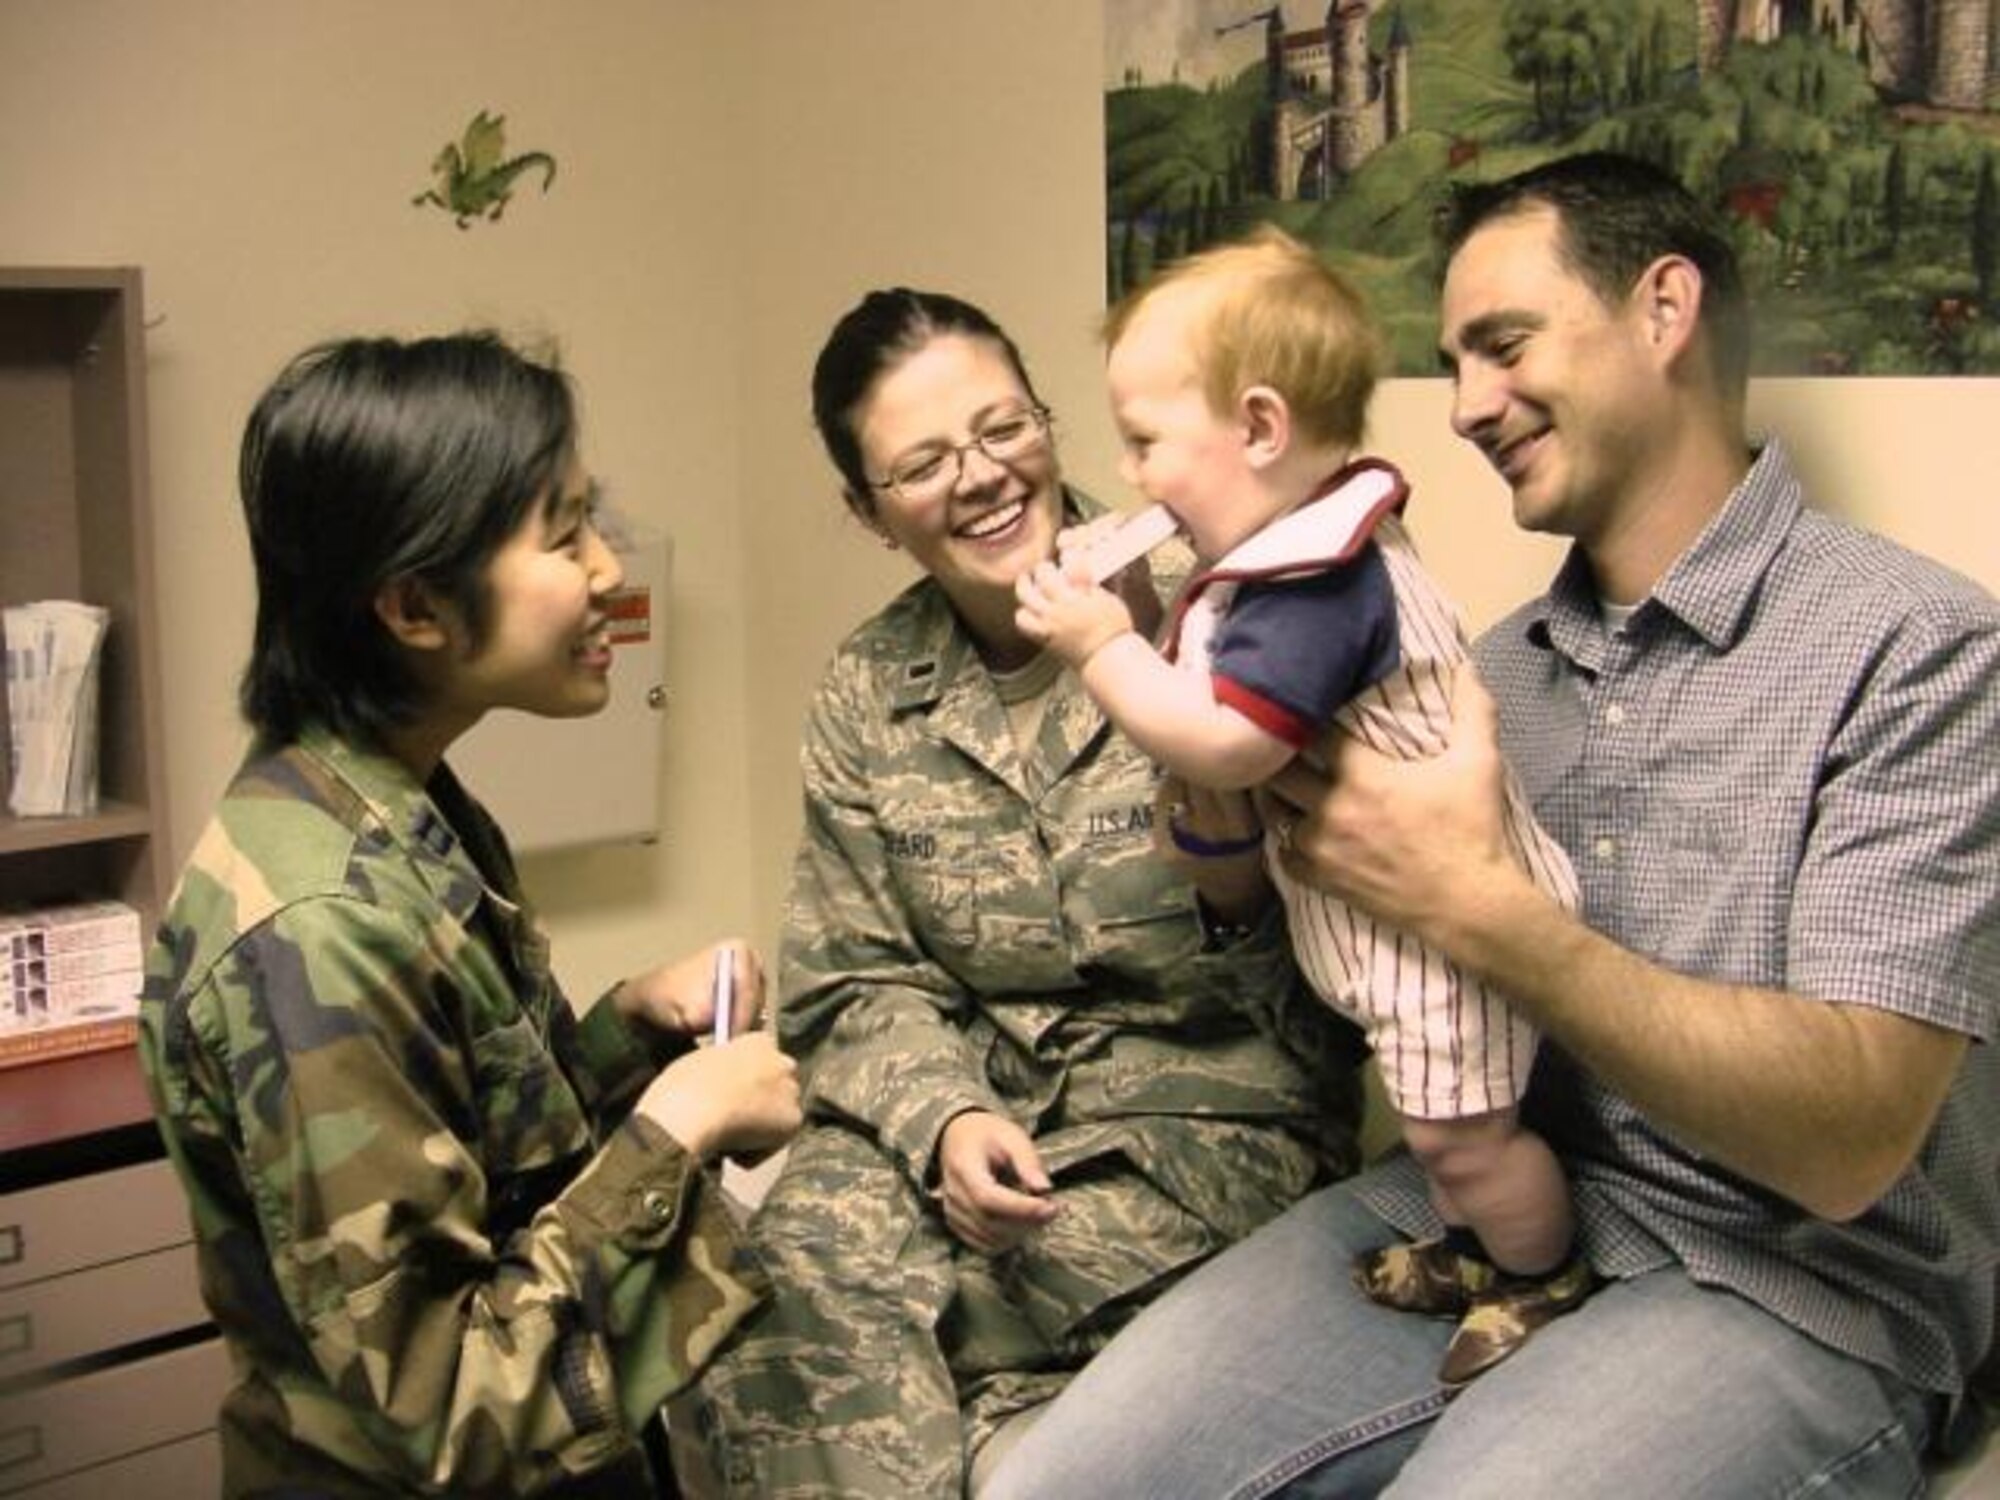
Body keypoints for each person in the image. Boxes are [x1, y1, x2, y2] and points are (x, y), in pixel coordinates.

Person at [984, 151, 2000, 1499]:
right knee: (1051, 1486)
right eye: (1450, 361)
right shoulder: (1479, 670)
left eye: (1502, 346)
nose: (1464, 406)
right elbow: (1354, 982)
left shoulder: (1917, 649)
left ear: (1664, 308)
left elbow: (1849, 1142)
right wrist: (1226, 836)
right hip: (1492, 1198)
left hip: (1794, 1277)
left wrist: (1479, 904)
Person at [675, 288, 1364, 1496]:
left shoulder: (1217, 611)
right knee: (762, 1291)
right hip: (965, 1134)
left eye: (1004, 429)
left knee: (955, 1326)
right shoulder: (868, 690)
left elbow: (1341, 965)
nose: (983, 477)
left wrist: (1229, 864)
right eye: (925, 463)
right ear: (870, 512)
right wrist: (943, 1118)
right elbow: (853, 976)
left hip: (1202, 1131)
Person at [137, 332, 803, 1498]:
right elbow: (448, 1408)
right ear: (412, 607)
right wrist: (677, 1136)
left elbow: (470, 1152)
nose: (607, 569)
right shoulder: (317, 927)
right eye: (563, 535)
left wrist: (626, 1040)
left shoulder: (394, 805)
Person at [1015, 227, 1590, 1388]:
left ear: (1262, 430)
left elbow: (1224, 743)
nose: (1131, 476)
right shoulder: (1286, 553)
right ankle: (1477, 1245)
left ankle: (1540, 1272)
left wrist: (1098, 646)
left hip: (1455, 939)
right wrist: (1140, 612)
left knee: (1459, 1137)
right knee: (1440, 1129)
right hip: (1398, 925)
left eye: (1145, 443)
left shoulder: (1319, 577)